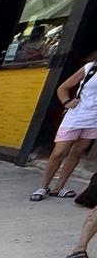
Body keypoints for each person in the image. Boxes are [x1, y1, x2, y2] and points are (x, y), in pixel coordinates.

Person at [31, 55, 97, 202]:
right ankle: (44, 186)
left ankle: (59, 187)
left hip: (93, 121)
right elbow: (63, 87)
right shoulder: (90, 68)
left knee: (77, 152)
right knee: (59, 152)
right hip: (76, 116)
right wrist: (66, 102)